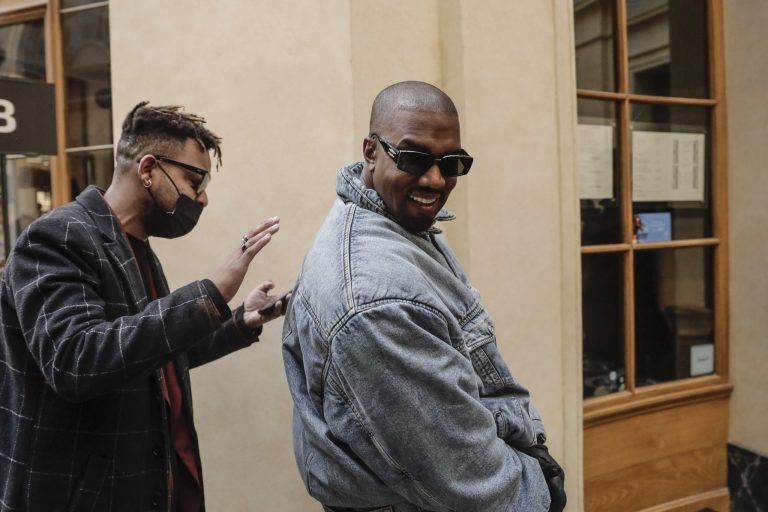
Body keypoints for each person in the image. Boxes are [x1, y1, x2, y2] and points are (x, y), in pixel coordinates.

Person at [282, 81, 566, 512]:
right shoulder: (377, 301)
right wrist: (541, 490)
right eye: (414, 158)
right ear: (370, 151)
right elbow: (468, 478)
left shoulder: (398, 225)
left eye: (451, 163)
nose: (435, 179)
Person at [0, 102, 287, 511]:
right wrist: (209, 293)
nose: (202, 199)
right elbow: (75, 359)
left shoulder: (138, 249)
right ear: (149, 168)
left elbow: (153, 355)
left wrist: (238, 321)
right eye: (194, 180)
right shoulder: (57, 237)